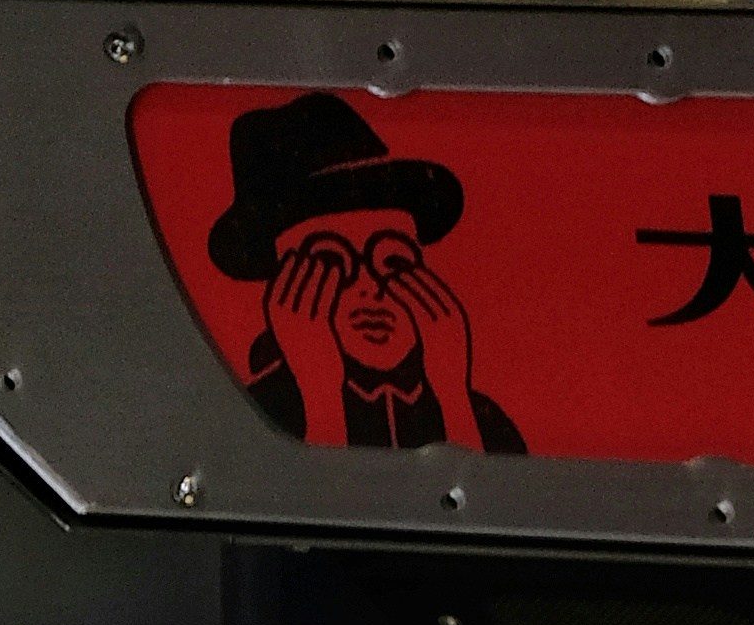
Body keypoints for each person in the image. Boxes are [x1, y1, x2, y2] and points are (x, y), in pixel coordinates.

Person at [206, 92, 527, 454]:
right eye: (330, 264)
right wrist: (319, 394)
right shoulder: (253, 415)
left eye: (393, 261)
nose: (370, 287)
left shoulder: (481, 418)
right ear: (285, 285)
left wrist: (452, 396)